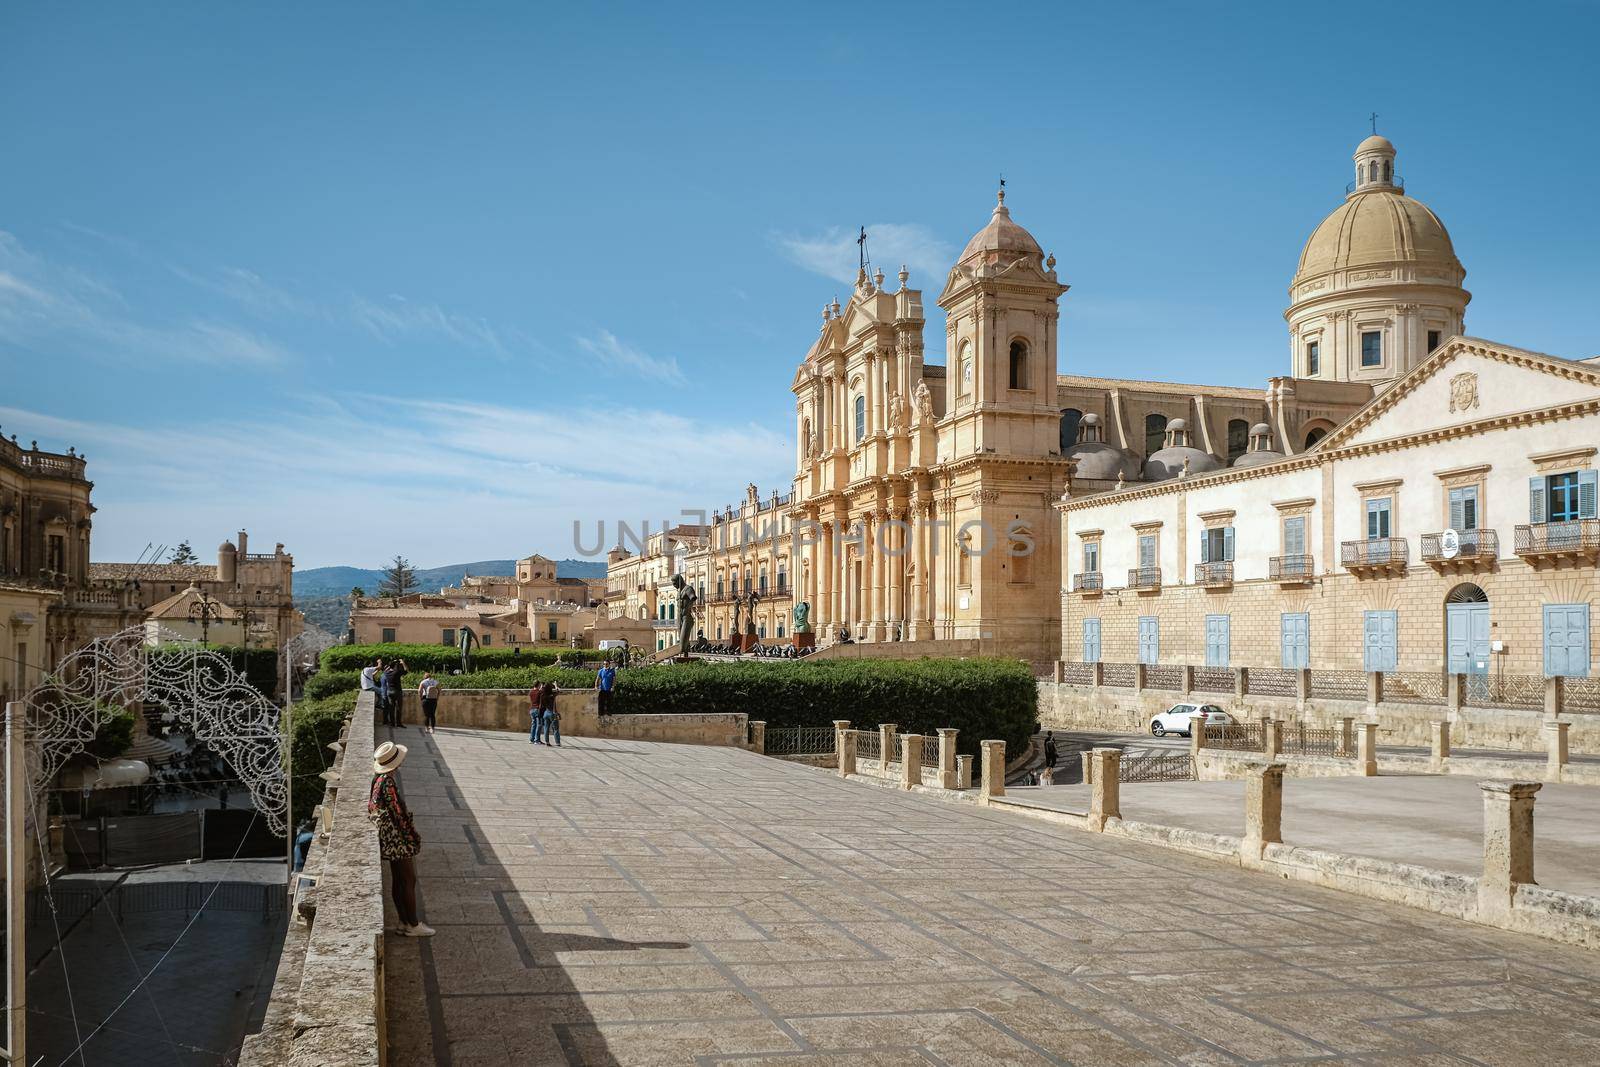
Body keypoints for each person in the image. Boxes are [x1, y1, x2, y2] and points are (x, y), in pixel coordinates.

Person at [367, 741, 434, 937]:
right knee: (408, 879)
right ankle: (413, 924)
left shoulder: (378, 780)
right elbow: (398, 814)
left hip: (388, 837)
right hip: (397, 838)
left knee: (398, 880)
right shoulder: (388, 782)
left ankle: (403, 922)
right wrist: (411, 834)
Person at [383, 659, 408, 728]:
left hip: (389, 692)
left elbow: (386, 669)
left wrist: (392, 663)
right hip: (397, 691)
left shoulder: (386, 673)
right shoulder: (396, 672)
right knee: (399, 708)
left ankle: (392, 723)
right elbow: (406, 671)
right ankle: (399, 723)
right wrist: (403, 663)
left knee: (391, 708)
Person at [541, 679, 561, 746]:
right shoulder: (552, 695)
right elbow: (558, 691)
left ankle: (547, 742)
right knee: (556, 728)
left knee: (546, 728)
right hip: (552, 713)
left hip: (546, 713)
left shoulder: (543, 696)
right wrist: (555, 685)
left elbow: (541, 689)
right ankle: (557, 742)